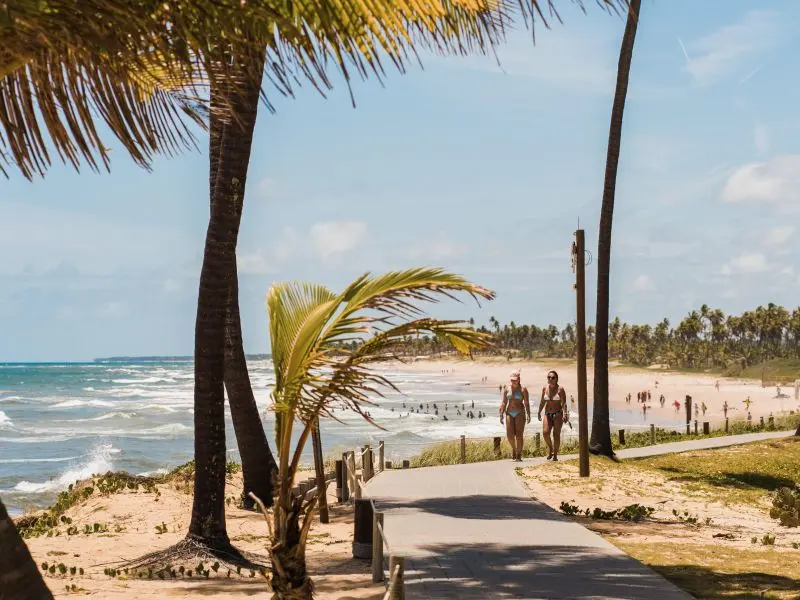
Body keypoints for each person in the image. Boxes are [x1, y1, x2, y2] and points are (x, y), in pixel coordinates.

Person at [499, 370, 530, 462]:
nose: (513, 381)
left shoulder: (523, 389)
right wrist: (501, 413)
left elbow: (527, 403)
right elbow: (504, 402)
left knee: (519, 435)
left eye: (515, 380)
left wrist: (529, 414)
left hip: (520, 412)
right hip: (509, 413)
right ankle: (514, 448)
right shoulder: (507, 389)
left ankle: (518, 455)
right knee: (510, 435)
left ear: (519, 379)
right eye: (512, 380)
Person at [538, 370, 567, 461]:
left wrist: (565, 414)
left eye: (553, 377)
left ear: (556, 379)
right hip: (547, 413)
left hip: (558, 414)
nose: (550, 379)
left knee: (556, 434)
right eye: (549, 377)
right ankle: (551, 448)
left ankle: (555, 455)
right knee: (545, 433)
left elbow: (564, 403)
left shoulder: (560, 389)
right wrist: (539, 412)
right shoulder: (544, 388)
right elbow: (543, 401)